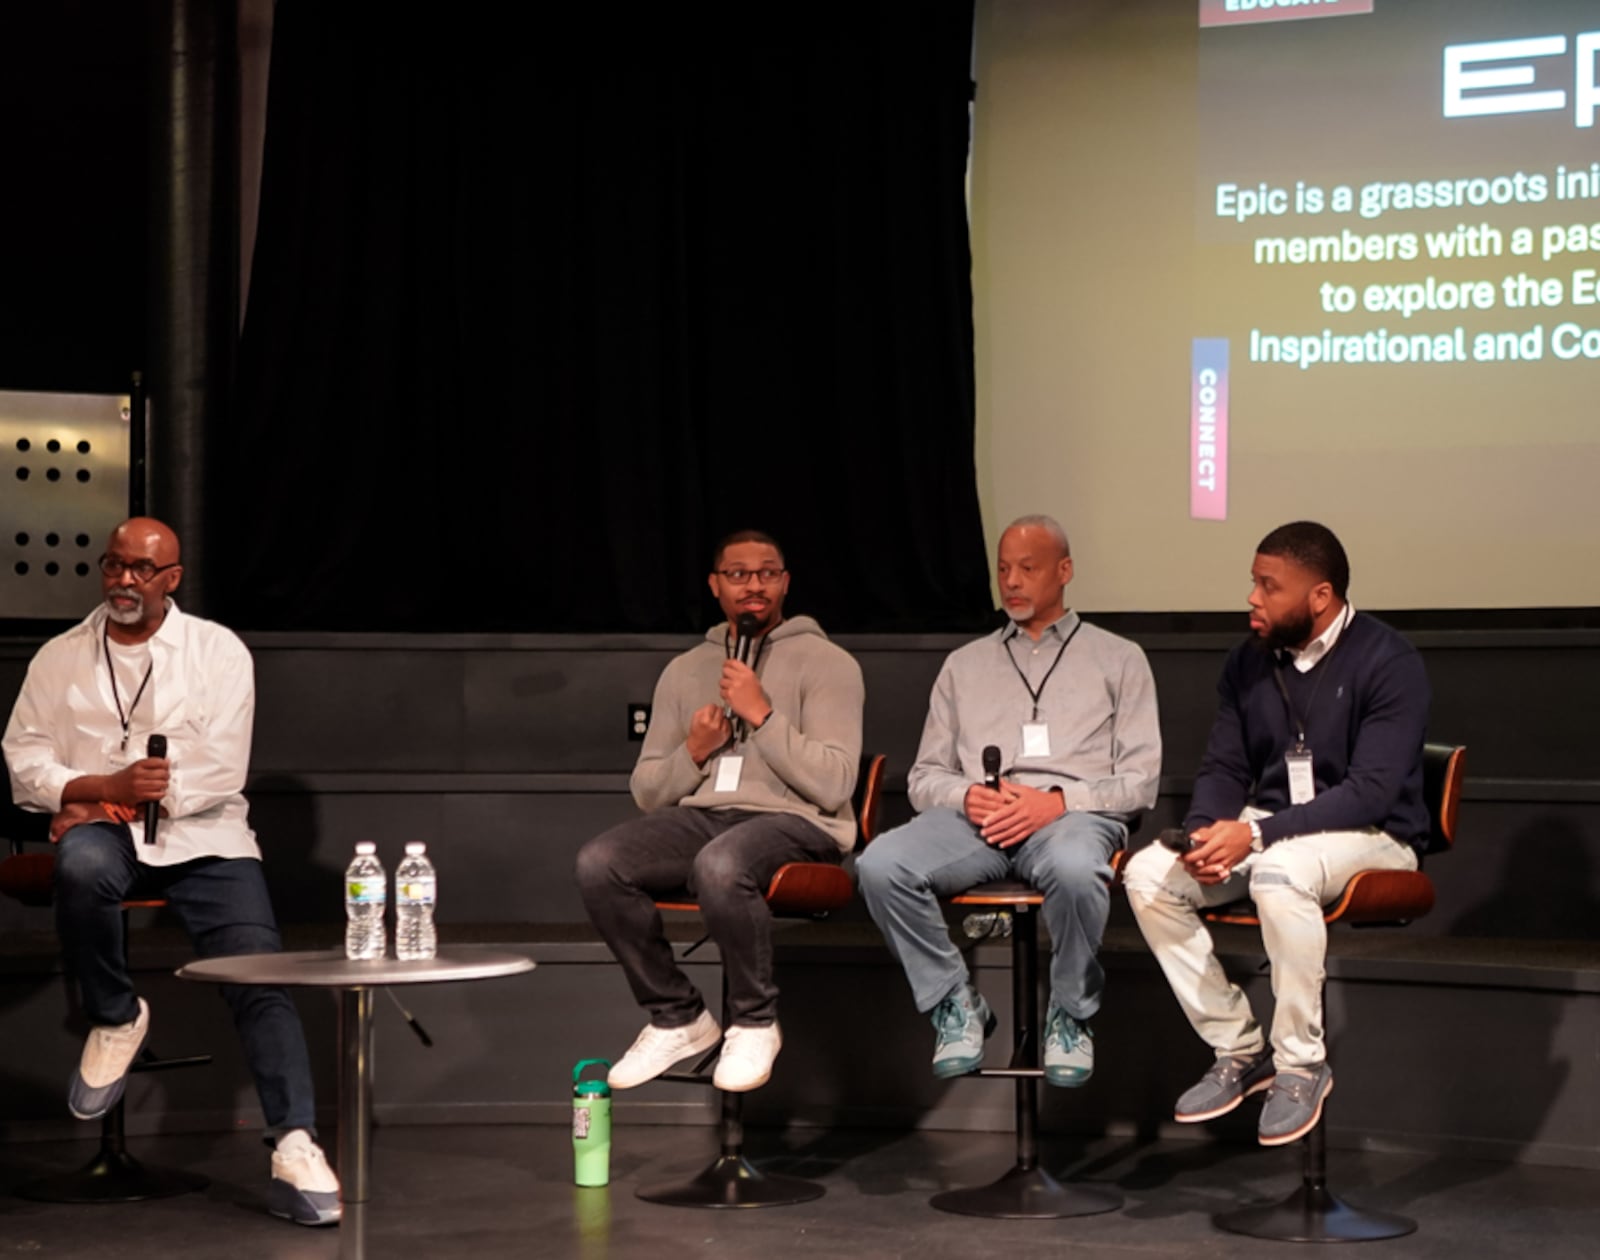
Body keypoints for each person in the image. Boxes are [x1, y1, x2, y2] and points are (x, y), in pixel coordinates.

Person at [2, 518, 340, 1227]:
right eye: (114, 566)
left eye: (142, 570)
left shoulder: (217, 652)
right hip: (106, 832)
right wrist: (100, 787)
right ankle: (115, 1015)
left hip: (205, 834)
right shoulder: (59, 658)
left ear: (172, 578)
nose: (125, 581)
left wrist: (125, 795)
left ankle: (296, 1142)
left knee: (259, 973)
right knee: (80, 864)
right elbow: (24, 763)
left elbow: (221, 768)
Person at [1123, 521, 1430, 1146]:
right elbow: (1225, 766)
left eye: (1269, 586)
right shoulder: (1248, 661)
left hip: (1375, 834)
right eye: (1253, 582)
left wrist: (1255, 839)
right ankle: (1238, 1047)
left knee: (1277, 870)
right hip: (1277, 828)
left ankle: (1300, 1065)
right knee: (1149, 875)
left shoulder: (1389, 660)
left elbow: (1370, 792)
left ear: (1320, 598)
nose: (1252, 599)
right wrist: (1209, 833)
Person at [857, 515, 1160, 1085]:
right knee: (880, 865)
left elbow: (1140, 781)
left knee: (1075, 868)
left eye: (1028, 568)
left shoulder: (1120, 659)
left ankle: (1071, 1012)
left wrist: (1058, 801)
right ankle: (954, 1000)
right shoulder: (963, 665)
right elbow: (924, 778)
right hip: (978, 823)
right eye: (1003, 569)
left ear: (1065, 571)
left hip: (1071, 820)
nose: (1012, 582)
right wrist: (966, 793)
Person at [575, 529, 864, 1093]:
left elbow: (834, 784)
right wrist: (695, 752)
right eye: (738, 574)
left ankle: (755, 1021)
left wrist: (763, 716)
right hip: (707, 817)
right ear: (715, 585)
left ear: (785, 582)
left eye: (766, 573)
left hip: (798, 823)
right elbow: (649, 791)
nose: (753, 585)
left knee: (720, 864)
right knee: (599, 862)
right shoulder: (685, 670)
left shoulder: (829, 663)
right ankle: (676, 1014)